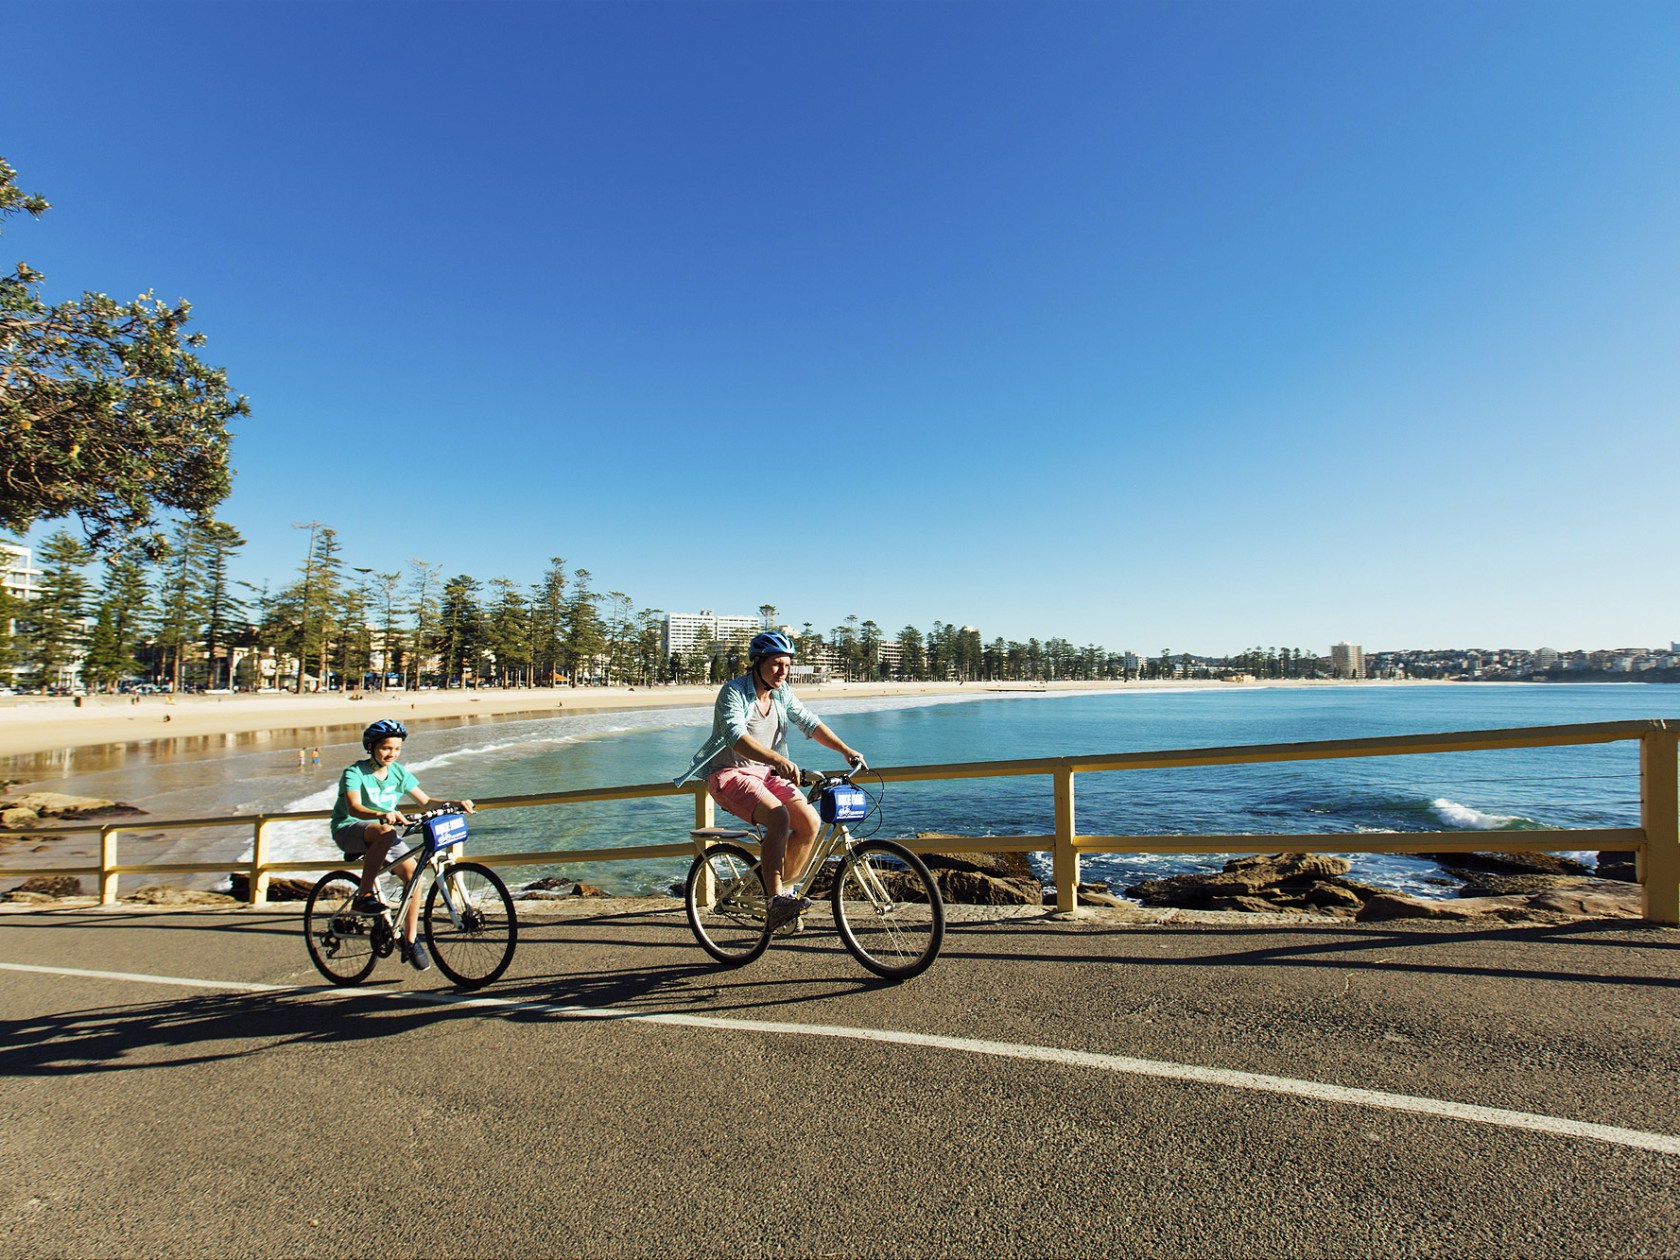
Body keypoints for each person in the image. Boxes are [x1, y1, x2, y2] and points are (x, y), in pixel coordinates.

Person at [675, 631, 866, 930]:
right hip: (729, 774)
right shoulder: (734, 692)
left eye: (787, 665)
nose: (783, 671)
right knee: (779, 817)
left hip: (765, 774)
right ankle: (775, 900)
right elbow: (735, 737)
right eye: (776, 664)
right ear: (758, 663)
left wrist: (845, 750)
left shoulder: (782, 693)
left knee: (809, 823)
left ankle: (783, 893)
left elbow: (809, 722)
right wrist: (777, 759)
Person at [330, 719, 475, 972]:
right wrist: (380, 814)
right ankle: (363, 897)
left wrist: (453, 803)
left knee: (415, 877)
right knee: (385, 832)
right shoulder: (354, 772)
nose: (392, 754)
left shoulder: (398, 772)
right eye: (386, 748)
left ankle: (409, 940)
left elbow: (426, 801)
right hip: (350, 828)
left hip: (383, 831)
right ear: (371, 746)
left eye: (396, 749)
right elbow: (354, 807)